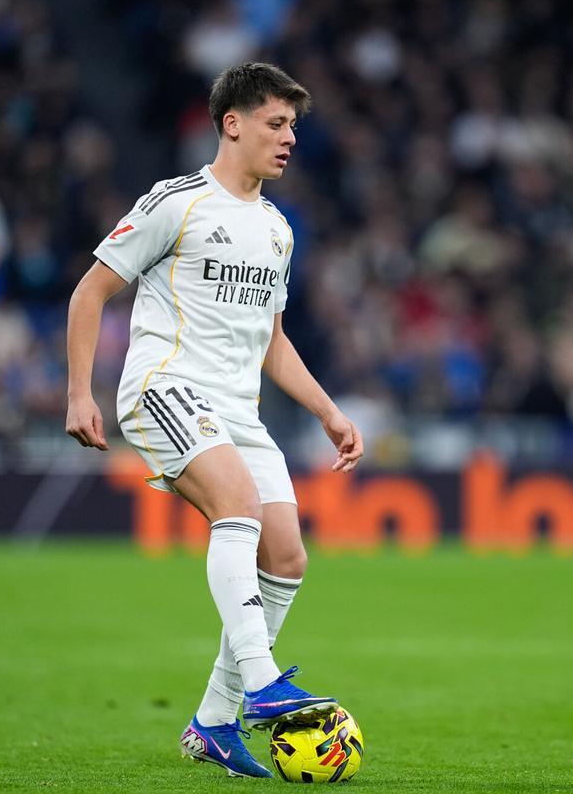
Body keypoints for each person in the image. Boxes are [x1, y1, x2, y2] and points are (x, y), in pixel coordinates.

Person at [65, 62, 363, 778]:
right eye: (276, 123)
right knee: (239, 506)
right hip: (165, 385)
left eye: (293, 125)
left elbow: (275, 341)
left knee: (287, 555)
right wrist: (80, 392)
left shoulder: (277, 230)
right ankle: (262, 683)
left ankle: (213, 721)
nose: (290, 138)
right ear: (233, 124)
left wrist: (327, 411)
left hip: (235, 408)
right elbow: (90, 291)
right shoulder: (177, 202)